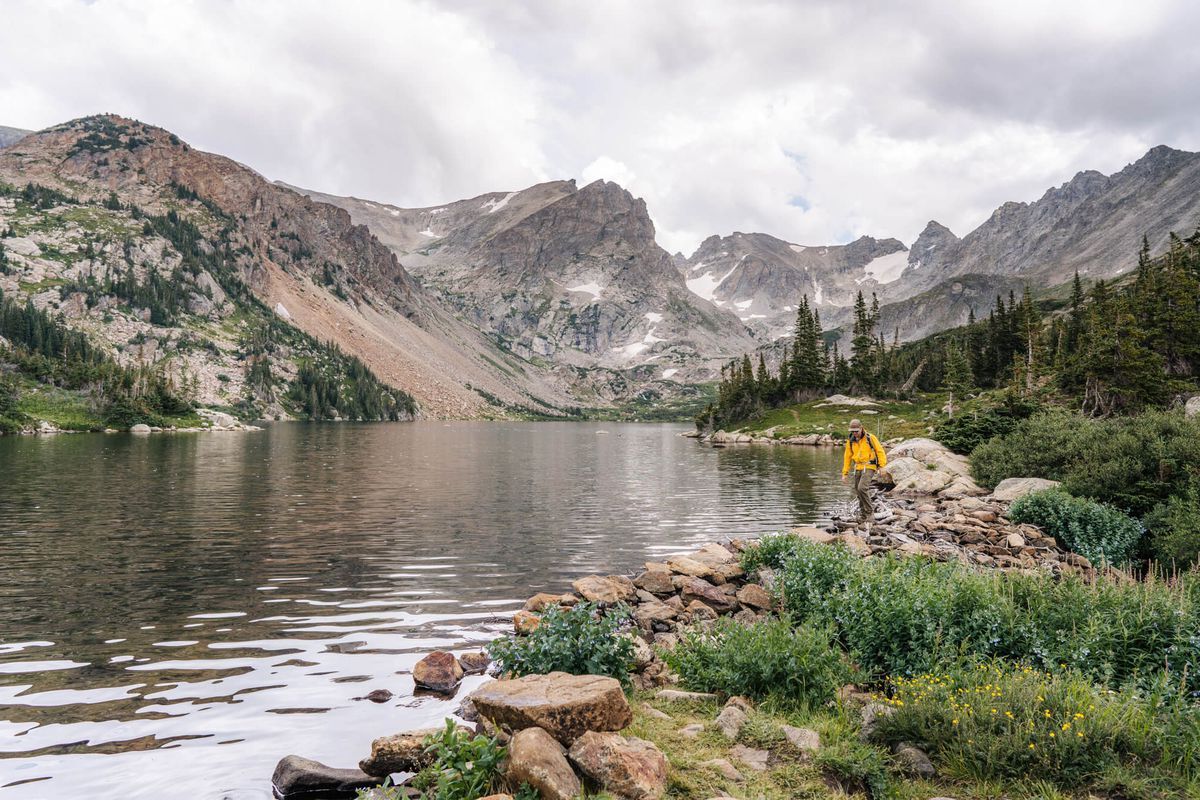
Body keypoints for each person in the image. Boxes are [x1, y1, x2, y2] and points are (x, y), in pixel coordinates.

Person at [840, 419, 887, 523]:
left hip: (870, 466)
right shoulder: (850, 441)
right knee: (858, 491)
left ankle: (870, 512)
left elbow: (880, 451)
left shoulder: (870, 438)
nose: (854, 433)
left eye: (856, 431)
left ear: (861, 428)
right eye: (852, 431)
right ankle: (863, 515)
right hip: (858, 467)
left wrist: (882, 466)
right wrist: (845, 473)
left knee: (862, 488)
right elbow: (847, 457)